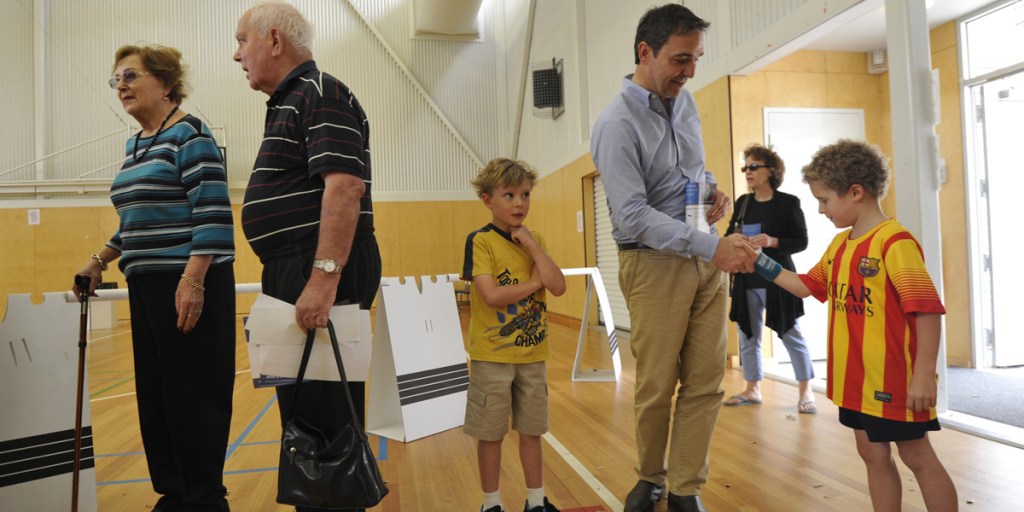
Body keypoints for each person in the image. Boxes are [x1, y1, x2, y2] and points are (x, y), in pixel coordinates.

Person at [590, 5, 756, 512]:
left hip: (705, 257)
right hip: (654, 264)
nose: (690, 71)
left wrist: (713, 194)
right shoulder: (615, 125)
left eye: (696, 59)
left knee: (705, 383)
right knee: (658, 385)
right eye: (681, 59)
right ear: (646, 52)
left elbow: (690, 172)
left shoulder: (686, 104)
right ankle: (651, 476)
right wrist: (713, 245)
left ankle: (686, 487)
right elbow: (634, 214)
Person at [750, 140, 958, 512]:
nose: (820, 209)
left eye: (825, 200)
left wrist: (924, 374)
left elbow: (926, 311)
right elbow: (807, 286)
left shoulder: (895, 244)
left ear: (856, 192)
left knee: (916, 456)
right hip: (855, 380)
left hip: (893, 379)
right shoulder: (840, 246)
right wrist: (759, 262)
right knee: (871, 454)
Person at [74, 44, 236, 512]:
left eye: (130, 76)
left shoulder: (190, 134)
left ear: (165, 84)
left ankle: (205, 497)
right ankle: (175, 492)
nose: (120, 86)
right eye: (116, 80)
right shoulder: (137, 144)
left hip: (187, 281)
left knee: (193, 394)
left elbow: (211, 211)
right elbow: (135, 221)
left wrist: (194, 280)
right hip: (146, 284)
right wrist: (99, 261)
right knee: (157, 394)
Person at [233, 2, 382, 511]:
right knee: (305, 422)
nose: (237, 56)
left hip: (311, 267)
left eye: (242, 41)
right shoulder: (291, 100)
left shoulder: (321, 92)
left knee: (324, 427)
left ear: (274, 41)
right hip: (295, 266)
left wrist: (322, 279)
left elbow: (344, 187)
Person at [461, 158, 567, 512]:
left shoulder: (535, 239)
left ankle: (536, 501)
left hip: (533, 355)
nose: (520, 202)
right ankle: (491, 504)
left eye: (525, 194)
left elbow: (560, 286)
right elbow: (491, 295)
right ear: (488, 200)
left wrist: (534, 250)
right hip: (492, 356)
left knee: (532, 431)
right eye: (509, 195)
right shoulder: (480, 242)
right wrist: (535, 282)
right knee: (490, 434)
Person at [723, 144, 817, 413]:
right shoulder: (743, 203)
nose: (747, 172)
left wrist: (772, 241)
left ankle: (805, 390)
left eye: (754, 166)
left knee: (790, 332)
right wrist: (736, 240)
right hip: (746, 279)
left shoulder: (788, 203)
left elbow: (801, 241)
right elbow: (729, 234)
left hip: (778, 279)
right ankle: (752, 389)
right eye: (745, 167)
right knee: (747, 335)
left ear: (771, 170)